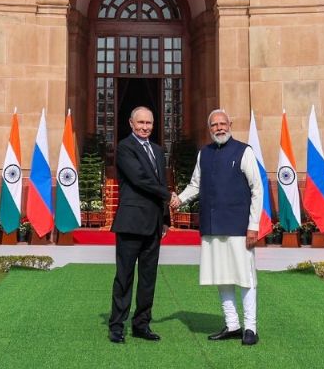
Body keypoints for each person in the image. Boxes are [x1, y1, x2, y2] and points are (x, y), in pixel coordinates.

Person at [170, 109, 264, 346]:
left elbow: (257, 189)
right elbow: (195, 185)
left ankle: (250, 328)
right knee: (222, 275)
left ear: (230, 124)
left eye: (223, 123)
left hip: (239, 226)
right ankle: (232, 324)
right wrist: (179, 199)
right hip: (212, 225)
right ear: (209, 128)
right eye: (214, 125)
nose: (219, 128)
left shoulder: (244, 151)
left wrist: (253, 226)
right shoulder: (204, 153)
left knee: (245, 277)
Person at [107, 106, 172, 344]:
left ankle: (141, 324)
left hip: (153, 223)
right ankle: (117, 325)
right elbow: (139, 179)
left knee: (148, 278)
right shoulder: (125, 147)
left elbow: (161, 181)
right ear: (131, 123)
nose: (145, 127)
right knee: (124, 277)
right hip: (131, 222)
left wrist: (166, 218)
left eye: (149, 123)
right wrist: (169, 195)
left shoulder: (158, 150)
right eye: (141, 123)